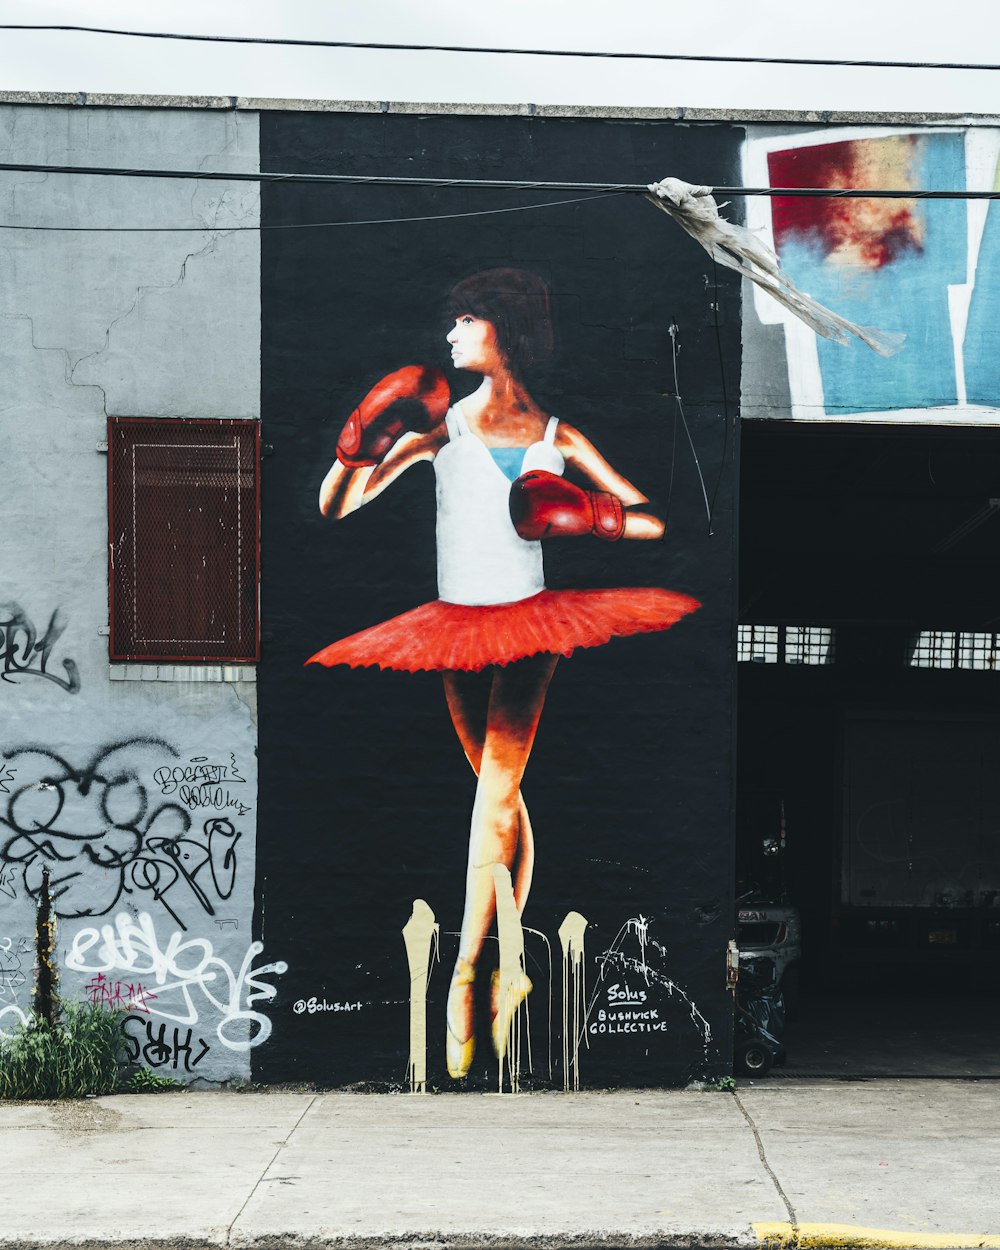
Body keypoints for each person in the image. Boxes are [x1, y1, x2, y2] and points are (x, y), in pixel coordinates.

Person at [309, 268, 699, 1079]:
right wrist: (358, 446)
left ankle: (465, 979)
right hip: (454, 628)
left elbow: (652, 516)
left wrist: (591, 514)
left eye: (465, 320)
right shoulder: (440, 429)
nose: (450, 335)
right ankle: (513, 960)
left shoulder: (558, 432)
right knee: (505, 803)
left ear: (505, 329)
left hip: (531, 623)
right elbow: (335, 507)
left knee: (493, 792)